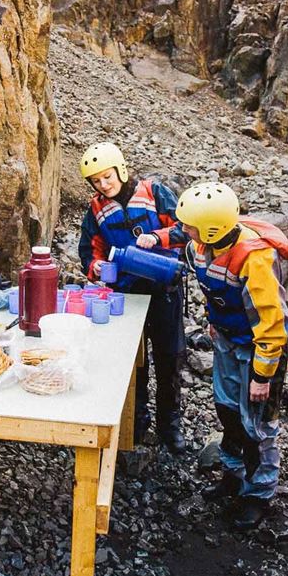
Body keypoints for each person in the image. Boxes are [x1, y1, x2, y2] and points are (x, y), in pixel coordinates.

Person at [176, 182, 288, 530]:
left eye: (190, 225)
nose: (185, 231)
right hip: (228, 340)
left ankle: (258, 494)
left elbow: (271, 324)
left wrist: (262, 375)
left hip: (259, 350)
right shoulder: (202, 245)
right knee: (228, 410)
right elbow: (214, 290)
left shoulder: (254, 259)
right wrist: (214, 323)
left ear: (213, 227)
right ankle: (233, 473)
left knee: (258, 424)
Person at [77, 142, 188, 453]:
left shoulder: (154, 193)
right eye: (96, 181)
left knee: (169, 357)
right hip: (128, 293)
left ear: (120, 170)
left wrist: (158, 237)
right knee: (132, 362)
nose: (104, 185)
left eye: (108, 177)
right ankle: (137, 421)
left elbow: (185, 228)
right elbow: (89, 250)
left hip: (164, 289)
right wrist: (95, 266)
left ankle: (170, 424)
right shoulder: (96, 209)